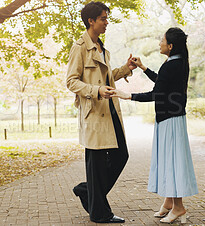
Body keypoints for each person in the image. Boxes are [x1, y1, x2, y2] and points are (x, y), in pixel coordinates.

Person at [112, 27, 198, 224]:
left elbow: (155, 94)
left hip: (169, 120)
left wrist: (128, 95)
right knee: (170, 160)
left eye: (162, 40)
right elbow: (162, 83)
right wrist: (143, 68)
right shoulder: (177, 62)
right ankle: (169, 202)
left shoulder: (171, 65)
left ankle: (179, 208)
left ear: (170, 46)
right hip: (172, 119)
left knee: (172, 162)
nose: (159, 43)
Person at [66, 1, 136, 223]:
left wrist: (126, 69)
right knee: (95, 164)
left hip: (111, 110)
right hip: (94, 112)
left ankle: (87, 191)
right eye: (103, 19)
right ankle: (100, 212)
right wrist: (95, 91)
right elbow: (71, 82)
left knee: (121, 155)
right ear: (91, 21)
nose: (107, 23)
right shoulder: (80, 48)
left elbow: (106, 77)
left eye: (107, 18)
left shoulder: (102, 48)